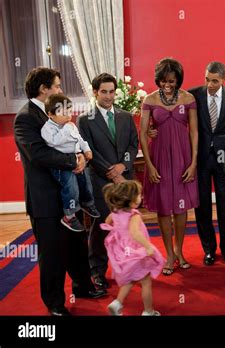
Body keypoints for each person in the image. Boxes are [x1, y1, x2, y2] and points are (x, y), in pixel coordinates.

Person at [14, 67, 105, 316]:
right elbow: (38, 154)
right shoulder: (25, 117)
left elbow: (72, 141)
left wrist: (80, 155)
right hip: (45, 198)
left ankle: (83, 286)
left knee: (77, 245)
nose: (60, 90)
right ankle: (54, 303)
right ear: (44, 89)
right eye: (57, 85)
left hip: (68, 194)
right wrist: (73, 161)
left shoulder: (55, 111)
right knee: (52, 253)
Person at [77, 73, 139, 290]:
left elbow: (133, 144)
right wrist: (112, 173)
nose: (108, 96)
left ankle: (126, 268)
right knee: (102, 225)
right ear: (95, 92)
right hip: (100, 182)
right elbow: (89, 151)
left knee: (126, 227)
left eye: (112, 91)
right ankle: (97, 271)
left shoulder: (126, 116)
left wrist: (124, 166)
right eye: (104, 91)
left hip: (125, 179)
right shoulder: (85, 120)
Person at [140, 58, 199, 276]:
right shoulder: (149, 99)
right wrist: (150, 165)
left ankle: (179, 251)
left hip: (183, 157)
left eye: (172, 81)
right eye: (164, 81)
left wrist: (193, 163)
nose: (168, 85)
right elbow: (143, 134)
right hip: (159, 158)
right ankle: (169, 255)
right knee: (165, 207)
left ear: (178, 80)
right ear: (158, 80)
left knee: (181, 207)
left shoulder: (188, 98)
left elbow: (194, 132)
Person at [188, 61, 225, 266]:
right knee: (202, 204)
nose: (210, 84)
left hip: (224, 155)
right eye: (207, 79)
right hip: (200, 156)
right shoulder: (194, 94)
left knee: (224, 203)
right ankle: (209, 249)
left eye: (215, 81)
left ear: (223, 80)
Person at [101, 180, 165, 316]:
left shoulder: (116, 212)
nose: (141, 197)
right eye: (139, 195)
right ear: (131, 201)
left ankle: (117, 303)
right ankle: (148, 311)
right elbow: (135, 233)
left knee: (131, 279)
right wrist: (148, 246)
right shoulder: (134, 215)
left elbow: (107, 222)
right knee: (146, 281)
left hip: (123, 251)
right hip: (136, 252)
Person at [41, 94, 100, 232]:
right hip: (62, 166)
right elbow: (54, 142)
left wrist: (86, 149)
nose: (68, 115)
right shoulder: (48, 128)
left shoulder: (71, 126)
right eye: (63, 113)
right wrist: (66, 128)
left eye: (69, 111)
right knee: (71, 187)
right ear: (50, 114)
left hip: (75, 160)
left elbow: (79, 139)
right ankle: (69, 215)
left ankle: (87, 203)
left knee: (86, 181)